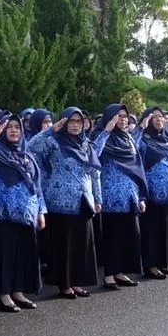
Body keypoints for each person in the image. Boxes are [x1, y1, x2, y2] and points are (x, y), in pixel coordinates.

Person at [0, 112, 45, 312]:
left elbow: (36, 185)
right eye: (9, 127)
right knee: (4, 255)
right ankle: (4, 295)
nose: (13, 131)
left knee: (23, 254)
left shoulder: (27, 155)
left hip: (27, 214)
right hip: (4, 214)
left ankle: (18, 291)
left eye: (17, 127)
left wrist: (41, 211)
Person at [26, 107, 101, 298]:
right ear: (65, 122)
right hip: (60, 201)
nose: (76, 125)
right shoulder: (55, 142)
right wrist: (52, 129)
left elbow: (94, 173)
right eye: (72, 121)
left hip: (84, 200)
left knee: (81, 243)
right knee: (64, 245)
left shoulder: (86, 145)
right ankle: (64, 284)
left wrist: (98, 199)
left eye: (79, 121)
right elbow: (31, 147)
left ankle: (77, 281)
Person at [93, 104, 147, 287]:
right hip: (111, 197)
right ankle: (109, 275)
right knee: (113, 238)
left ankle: (121, 272)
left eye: (125, 116)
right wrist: (106, 131)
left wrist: (140, 196)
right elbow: (93, 155)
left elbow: (136, 166)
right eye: (118, 116)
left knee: (129, 236)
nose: (122, 120)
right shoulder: (103, 137)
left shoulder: (128, 139)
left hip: (130, 195)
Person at [134, 107, 168, 277]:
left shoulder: (167, 140)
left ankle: (164, 263)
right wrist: (141, 127)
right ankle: (151, 265)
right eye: (153, 117)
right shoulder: (143, 139)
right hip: (153, 193)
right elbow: (133, 146)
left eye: (160, 116)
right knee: (153, 230)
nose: (158, 119)